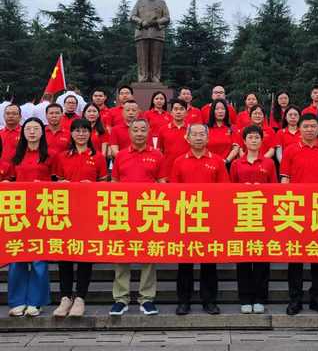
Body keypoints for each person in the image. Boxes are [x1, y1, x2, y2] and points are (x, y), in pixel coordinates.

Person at [170, 123, 230, 316]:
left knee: (209, 263)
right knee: (185, 263)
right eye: (194, 134)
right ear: (187, 138)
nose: (198, 138)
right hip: (186, 218)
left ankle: (209, 301)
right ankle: (183, 301)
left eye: (201, 134)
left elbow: (223, 191)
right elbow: (173, 192)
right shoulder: (179, 161)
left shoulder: (218, 161)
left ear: (207, 138)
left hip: (209, 219)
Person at [109, 118, 167, 316]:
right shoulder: (121, 155)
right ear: (130, 133)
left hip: (149, 211)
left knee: (148, 256)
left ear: (149, 132)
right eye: (135, 130)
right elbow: (114, 182)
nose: (139, 133)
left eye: (143, 130)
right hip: (123, 212)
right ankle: (121, 298)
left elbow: (162, 184)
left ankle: (146, 298)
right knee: (122, 255)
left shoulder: (157, 155)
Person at [280, 113, 318, 316]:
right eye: (306, 126)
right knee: (295, 257)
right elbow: (284, 181)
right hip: (296, 211)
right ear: (299, 128)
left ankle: (317, 298)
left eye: (313, 126)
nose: (310, 129)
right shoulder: (290, 151)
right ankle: (295, 299)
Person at [54, 118, 108, 317]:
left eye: (84, 130)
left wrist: (91, 185)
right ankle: (65, 297)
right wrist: (64, 183)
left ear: (90, 133)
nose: (80, 134)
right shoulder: (63, 156)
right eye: (76, 130)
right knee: (64, 256)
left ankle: (80, 298)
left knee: (85, 256)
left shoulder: (98, 157)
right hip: (66, 213)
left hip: (88, 213)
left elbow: (105, 184)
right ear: (71, 133)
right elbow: (58, 181)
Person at [8, 117, 57, 317]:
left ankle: (35, 302)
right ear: (23, 132)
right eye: (28, 128)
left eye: (36, 128)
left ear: (42, 132)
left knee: (39, 258)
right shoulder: (15, 156)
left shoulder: (51, 155)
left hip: (41, 212)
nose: (32, 132)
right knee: (17, 256)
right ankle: (17, 301)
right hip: (19, 212)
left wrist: (43, 185)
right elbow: (8, 182)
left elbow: (58, 183)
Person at [230, 124, 277, 314]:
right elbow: (229, 190)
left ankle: (260, 298)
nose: (254, 140)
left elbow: (274, 189)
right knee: (242, 259)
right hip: (242, 215)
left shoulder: (269, 163)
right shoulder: (235, 164)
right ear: (244, 141)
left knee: (261, 258)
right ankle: (245, 298)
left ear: (261, 140)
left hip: (262, 215)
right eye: (250, 137)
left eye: (257, 137)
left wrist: (262, 189)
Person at [131, 0, 170, 82]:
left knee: (156, 58)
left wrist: (156, 22)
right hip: (142, 33)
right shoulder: (139, 2)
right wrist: (142, 22)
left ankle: (155, 77)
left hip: (157, 33)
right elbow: (133, 16)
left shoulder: (162, 3)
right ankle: (142, 77)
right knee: (142, 58)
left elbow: (167, 18)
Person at [157, 99, 190, 181]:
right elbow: (160, 151)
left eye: (181, 109)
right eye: (175, 109)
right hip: (168, 172)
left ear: (186, 112)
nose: (178, 112)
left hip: (187, 170)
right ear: (171, 112)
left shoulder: (192, 130)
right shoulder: (163, 129)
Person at [205, 98, 241, 166]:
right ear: (212, 111)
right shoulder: (205, 129)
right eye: (217, 109)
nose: (220, 111)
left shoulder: (232, 128)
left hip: (227, 165)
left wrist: (226, 161)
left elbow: (236, 148)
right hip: (209, 164)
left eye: (223, 108)